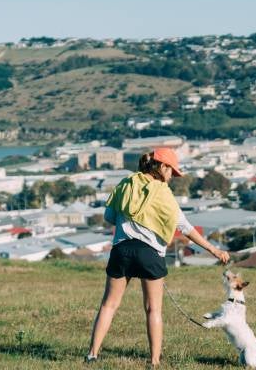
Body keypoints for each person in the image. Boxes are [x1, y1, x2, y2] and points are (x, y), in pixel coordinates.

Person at [86, 148, 230, 366]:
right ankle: (154, 361)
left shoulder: (126, 184)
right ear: (162, 167)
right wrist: (214, 250)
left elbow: (109, 217)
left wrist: (130, 224)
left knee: (109, 305)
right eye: (172, 171)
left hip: (121, 250)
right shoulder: (163, 193)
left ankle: (92, 355)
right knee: (153, 309)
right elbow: (185, 228)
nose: (172, 176)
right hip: (149, 253)